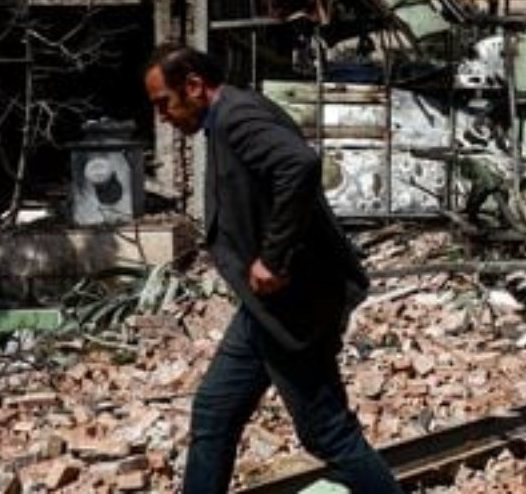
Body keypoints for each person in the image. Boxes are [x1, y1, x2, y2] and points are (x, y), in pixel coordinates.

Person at [143, 44, 401, 494]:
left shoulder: (237, 117)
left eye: (164, 102)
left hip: (292, 305)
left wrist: (273, 257)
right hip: (262, 308)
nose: (162, 116)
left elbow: (298, 165)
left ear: (194, 86)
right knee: (214, 410)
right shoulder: (225, 119)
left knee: (327, 432)